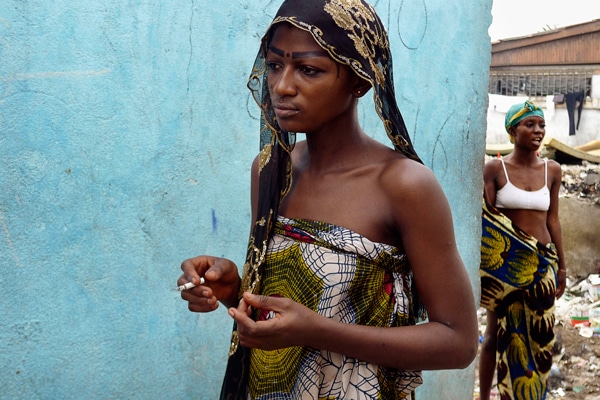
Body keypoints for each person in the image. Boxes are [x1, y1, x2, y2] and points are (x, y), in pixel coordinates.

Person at [178, 1, 478, 398]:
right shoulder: (271, 171)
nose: (282, 86)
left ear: (360, 81)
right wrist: (233, 289)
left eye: (308, 69)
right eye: (273, 65)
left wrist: (316, 331)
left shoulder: (404, 185)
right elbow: (287, 304)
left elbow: (457, 342)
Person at [479, 100, 567, 400]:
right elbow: (487, 221)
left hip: (543, 265)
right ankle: (485, 395)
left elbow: (553, 221)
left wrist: (562, 267)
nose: (538, 131)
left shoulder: (552, 170)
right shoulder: (495, 168)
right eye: (530, 124)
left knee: (541, 339)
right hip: (506, 271)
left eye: (541, 125)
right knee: (493, 335)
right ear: (513, 130)